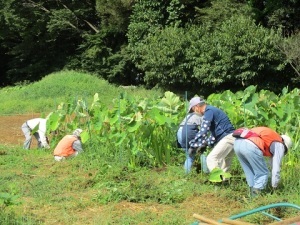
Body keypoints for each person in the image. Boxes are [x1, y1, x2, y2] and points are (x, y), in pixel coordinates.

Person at [233, 126, 293, 197]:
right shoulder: (280, 144)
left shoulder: (272, 138)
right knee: (263, 173)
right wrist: (274, 186)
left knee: (250, 171)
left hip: (237, 143)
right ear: (285, 145)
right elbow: (276, 169)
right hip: (250, 145)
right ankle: (255, 198)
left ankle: (251, 196)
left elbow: (271, 164)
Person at [188, 96, 236, 175]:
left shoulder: (209, 111)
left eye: (193, 110)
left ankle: (217, 179)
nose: (194, 112)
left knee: (211, 159)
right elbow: (214, 135)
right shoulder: (212, 110)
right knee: (224, 163)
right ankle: (224, 182)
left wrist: (193, 146)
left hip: (227, 138)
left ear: (196, 106)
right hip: (232, 137)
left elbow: (204, 130)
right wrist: (205, 144)